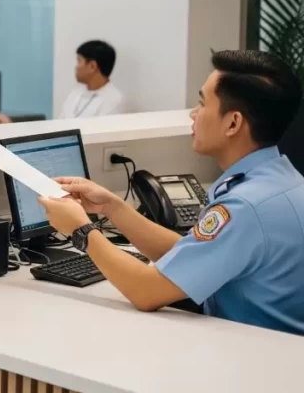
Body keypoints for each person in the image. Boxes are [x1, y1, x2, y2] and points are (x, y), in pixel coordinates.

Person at [39, 50, 304, 335]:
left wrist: (81, 230)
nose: (194, 113)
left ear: (233, 123)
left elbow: (145, 291)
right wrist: (112, 208)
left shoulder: (242, 208)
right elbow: (190, 255)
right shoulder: (283, 180)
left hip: (251, 361)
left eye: (202, 103)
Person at [57, 40, 125, 119]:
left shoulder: (114, 100)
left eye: (79, 61)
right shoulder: (75, 93)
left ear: (92, 66)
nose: (76, 67)